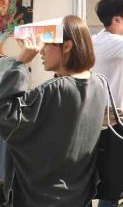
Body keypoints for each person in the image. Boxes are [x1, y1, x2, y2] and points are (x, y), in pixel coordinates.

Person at [0, 15, 107, 206]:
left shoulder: (55, 90)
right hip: (80, 194)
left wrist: (20, 63)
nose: (40, 51)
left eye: (46, 44)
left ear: (66, 46)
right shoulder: (98, 83)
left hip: (44, 197)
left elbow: (4, 114)